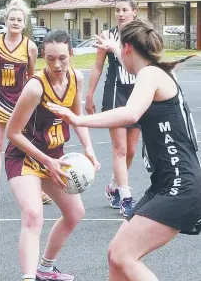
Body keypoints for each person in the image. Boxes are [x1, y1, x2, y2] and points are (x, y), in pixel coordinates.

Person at [48, 20, 201, 281]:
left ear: (129, 48)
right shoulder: (157, 70)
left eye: (121, 50)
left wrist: (78, 119)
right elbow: (129, 57)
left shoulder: (150, 75)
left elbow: (130, 113)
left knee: (122, 256)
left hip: (180, 185)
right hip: (165, 184)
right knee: (115, 256)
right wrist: (113, 47)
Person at [5, 29, 100, 281]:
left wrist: (88, 147)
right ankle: (27, 277)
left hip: (54, 159)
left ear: (71, 54)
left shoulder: (76, 78)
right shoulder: (35, 88)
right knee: (34, 215)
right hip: (24, 157)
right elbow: (12, 133)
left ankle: (45, 269)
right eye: (50, 59)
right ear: (43, 57)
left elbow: (77, 117)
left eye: (62, 58)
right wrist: (46, 160)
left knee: (75, 213)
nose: (56, 64)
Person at [85, 0, 140, 216]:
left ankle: (113, 187)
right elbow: (98, 67)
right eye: (117, 10)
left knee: (132, 150)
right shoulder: (108, 36)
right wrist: (89, 94)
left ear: (134, 12)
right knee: (120, 148)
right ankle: (126, 197)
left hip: (137, 94)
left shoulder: (140, 35)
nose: (120, 14)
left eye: (124, 10)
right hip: (115, 93)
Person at [0, 0, 52, 204]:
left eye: (19, 19)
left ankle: (39, 189)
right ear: (6, 20)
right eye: (12, 19)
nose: (15, 22)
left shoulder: (30, 47)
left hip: (20, 103)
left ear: (24, 22)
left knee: (30, 144)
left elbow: (30, 77)